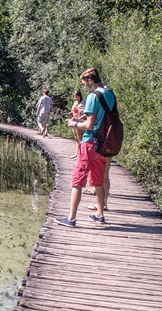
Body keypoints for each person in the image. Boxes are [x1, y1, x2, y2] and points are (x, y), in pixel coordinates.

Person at [54, 67, 116, 227]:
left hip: (90, 142)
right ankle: (100, 214)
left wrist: (75, 123)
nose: (84, 87)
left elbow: (89, 125)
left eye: (84, 83)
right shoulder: (110, 94)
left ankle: (71, 218)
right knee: (98, 180)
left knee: (77, 179)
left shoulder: (92, 97)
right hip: (104, 144)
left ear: (90, 80)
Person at [69, 90, 85, 159]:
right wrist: (71, 113)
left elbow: (85, 113)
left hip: (79, 121)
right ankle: (77, 153)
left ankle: (81, 154)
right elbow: (73, 110)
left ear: (79, 96)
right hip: (74, 120)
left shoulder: (83, 103)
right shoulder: (75, 102)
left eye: (76, 97)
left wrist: (79, 118)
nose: (76, 98)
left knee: (80, 137)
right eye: (75, 97)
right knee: (76, 138)